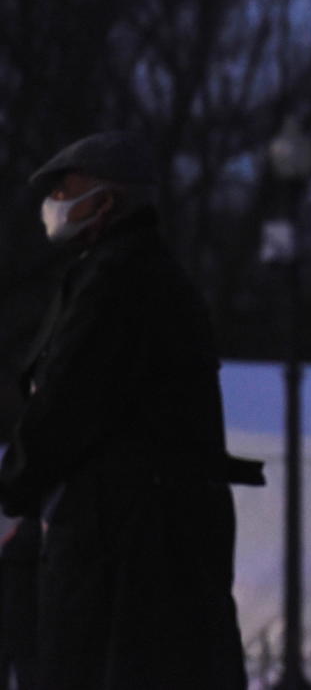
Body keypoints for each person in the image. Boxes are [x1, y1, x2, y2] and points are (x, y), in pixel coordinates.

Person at [0, 130, 248, 688]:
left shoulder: (116, 280)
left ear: (106, 202)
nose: (53, 205)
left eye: (67, 191)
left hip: (122, 539)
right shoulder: (139, 273)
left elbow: (68, 399)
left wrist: (14, 484)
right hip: (149, 529)